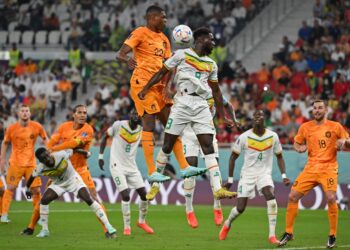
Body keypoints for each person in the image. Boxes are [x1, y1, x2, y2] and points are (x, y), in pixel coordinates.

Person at [138, 27, 236, 201]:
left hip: (201, 106)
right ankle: (155, 185)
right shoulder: (181, 55)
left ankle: (218, 188)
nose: (213, 43)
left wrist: (222, 115)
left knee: (208, 147)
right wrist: (146, 89)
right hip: (182, 103)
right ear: (199, 39)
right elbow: (162, 72)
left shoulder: (211, 65)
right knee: (167, 145)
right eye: (210, 39)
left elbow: (217, 92)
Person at [116, 5, 205, 190]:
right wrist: (127, 60)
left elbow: (169, 66)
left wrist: (167, 86)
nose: (166, 21)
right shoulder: (140, 32)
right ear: (152, 17)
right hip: (142, 83)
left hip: (159, 87)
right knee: (149, 123)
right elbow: (120, 53)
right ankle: (151, 171)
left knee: (172, 125)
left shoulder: (164, 39)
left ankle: (185, 167)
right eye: (163, 17)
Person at [279, 100, 350, 249]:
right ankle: (289, 232)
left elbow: (348, 141)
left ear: (326, 110)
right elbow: (297, 142)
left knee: (331, 197)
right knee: (292, 196)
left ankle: (332, 235)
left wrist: (344, 142)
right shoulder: (305, 127)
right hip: (311, 168)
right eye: (315, 108)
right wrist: (299, 147)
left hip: (329, 167)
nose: (317, 110)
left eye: (320, 108)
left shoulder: (335, 126)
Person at [219, 110, 290, 244]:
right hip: (247, 175)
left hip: (264, 174)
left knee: (270, 195)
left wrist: (284, 175)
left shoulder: (273, 136)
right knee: (240, 208)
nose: (257, 117)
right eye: (255, 115)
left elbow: (279, 156)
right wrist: (229, 180)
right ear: (252, 119)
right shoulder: (244, 137)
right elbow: (232, 158)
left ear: (265, 119)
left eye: (260, 115)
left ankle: (272, 236)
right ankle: (228, 223)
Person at [46, 104, 109, 237]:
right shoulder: (63, 127)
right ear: (74, 114)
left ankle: (107, 229)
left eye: (85, 113)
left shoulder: (88, 129)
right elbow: (52, 141)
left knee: (94, 198)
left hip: (80, 169)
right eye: (80, 112)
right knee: (44, 199)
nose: (82, 115)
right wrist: (49, 148)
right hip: (62, 170)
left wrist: (54, 150)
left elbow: (73, 144)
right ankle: (33, 227)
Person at [25, 148, 117, 238]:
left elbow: (74, 150)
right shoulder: (40, 167)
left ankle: (109, 226)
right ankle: (45, 230)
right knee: (44, 201)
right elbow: (31, 178)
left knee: (89, 199)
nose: (47, 159)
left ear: (49, 153)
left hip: (73, 180)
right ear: (40, 161)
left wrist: (85, 153)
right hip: (58, 184)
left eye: (47, 156)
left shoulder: (61, 155)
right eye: (43, 159)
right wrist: (27, 189)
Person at [182, 95, 239, 228]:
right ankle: (189, 209)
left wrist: (233, 119)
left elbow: (227, 104)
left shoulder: (212, 91)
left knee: (215, 169)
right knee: (190, 174)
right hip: (189, 135)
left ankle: (217, 206)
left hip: (208, 132)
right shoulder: (186, 90)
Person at [99, 111, 153, 236]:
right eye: (134, 114)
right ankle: (127, 227)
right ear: (129, 116)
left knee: (144, 195)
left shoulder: (141, 129)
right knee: (126, 195)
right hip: (117, 165)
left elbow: (150, 135)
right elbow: (104, 137)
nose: (136, 116)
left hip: (132, 167)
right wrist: (100, 157)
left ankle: (141, 222)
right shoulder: (119, 125)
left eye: (138, 115)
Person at [0, 105, 47, 235]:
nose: (25, 113)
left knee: (36, 190)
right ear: (18, 113)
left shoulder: (37, 126)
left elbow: (45, 138)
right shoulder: (11, 128)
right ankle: (4, 215)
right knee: (10, 188)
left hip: (31, 164)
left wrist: (49, 152)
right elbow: (5, 143)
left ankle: (39, 217)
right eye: (22, 111)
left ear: (30, 113)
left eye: (27, 111)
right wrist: (2, 160)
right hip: (15, 163)